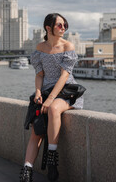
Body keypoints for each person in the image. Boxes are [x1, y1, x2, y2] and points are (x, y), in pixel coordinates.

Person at [20, 13, 84, 182]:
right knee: (36, 130)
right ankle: (27, 171)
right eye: (59, 25)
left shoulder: (67, 46)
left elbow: (64, 76)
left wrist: (50, 99)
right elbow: (40, 75)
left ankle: (51, 157)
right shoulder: (40, 48)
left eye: (64, 25)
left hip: (67, 91)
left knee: (54, 108)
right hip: (46, 92)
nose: (63, 28)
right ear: (48, 28)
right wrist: (39, 92)